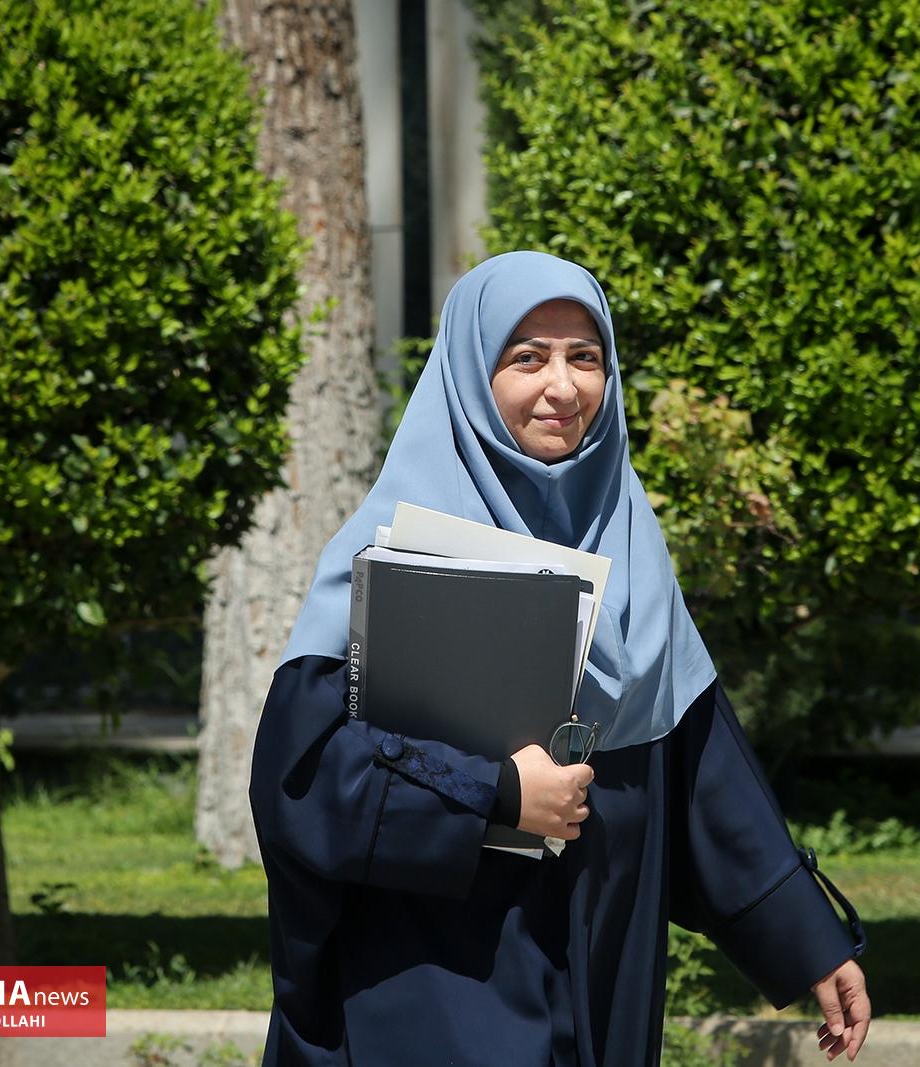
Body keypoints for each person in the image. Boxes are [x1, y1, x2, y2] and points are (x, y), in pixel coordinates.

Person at [250, 251, 870, 1066]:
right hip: (431, 977)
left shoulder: (632, 553)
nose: (564, 386)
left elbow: (702, 777)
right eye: (527, 357)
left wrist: (807, 938)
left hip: (600, 966)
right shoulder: (386, 557)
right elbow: (305, 780)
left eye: (586, 357)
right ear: (470, 375)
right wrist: (496, 793)